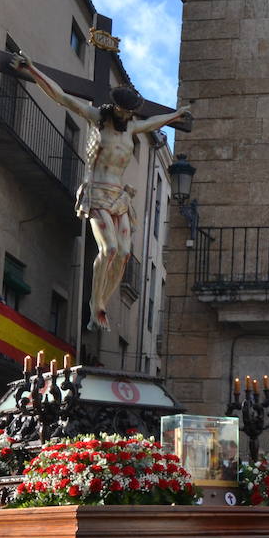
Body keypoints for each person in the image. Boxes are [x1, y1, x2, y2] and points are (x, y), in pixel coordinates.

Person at [13, 53, 196, 331]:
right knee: (108, 247)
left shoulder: (132, 128)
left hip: (119, 198)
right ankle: (94, 303)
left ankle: (103, 304)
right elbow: (61, 97)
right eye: (123, 110)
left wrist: (177, 114)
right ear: (116, 107)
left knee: (122, 253)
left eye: (130, 112)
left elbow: (157, 122)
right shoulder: (97, 117)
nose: (127, 115)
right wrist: (32, 70)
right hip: (97, 191)